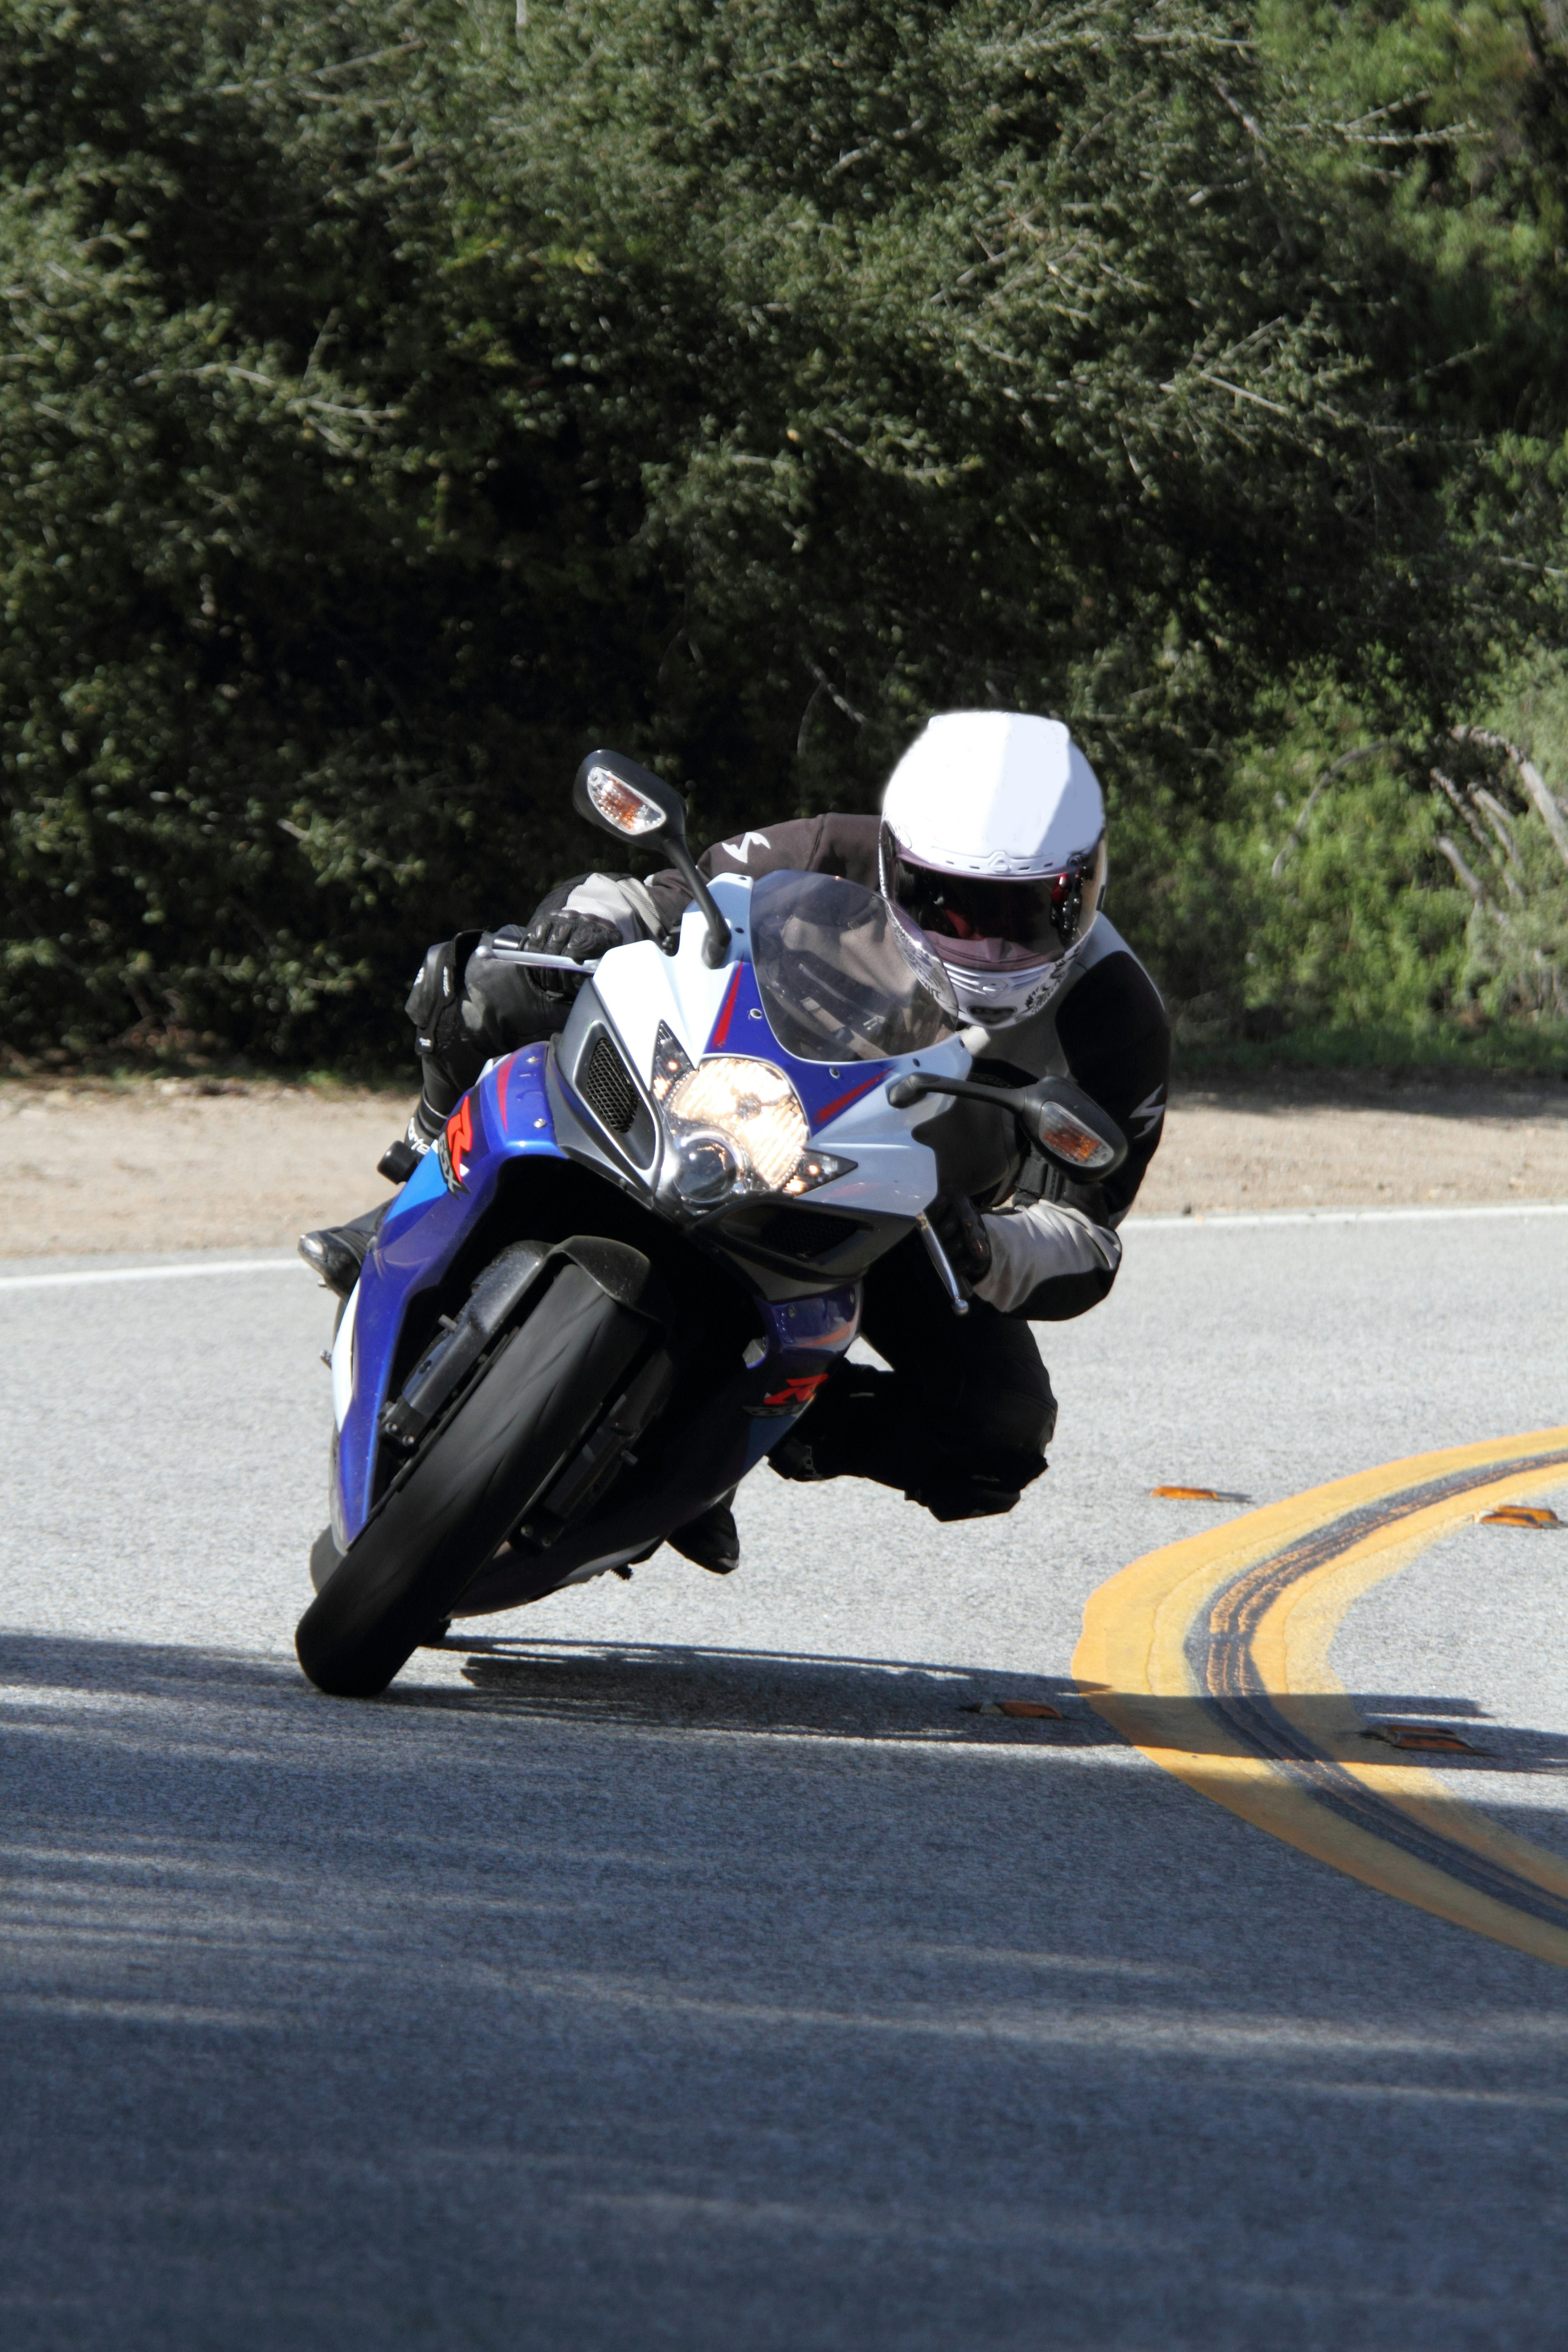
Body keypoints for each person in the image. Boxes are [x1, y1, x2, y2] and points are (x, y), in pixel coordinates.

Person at [301, 712, 1170, 1569]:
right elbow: (657, 898)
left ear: (1084, 886)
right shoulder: (827, 848)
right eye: (948, 901)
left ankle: (764, 1435)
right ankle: (413, 1179)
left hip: (898, 1213)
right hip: (716, 1100)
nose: (980, 938)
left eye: (1022, 911)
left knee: (999, 1429)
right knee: (486, 979)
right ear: (899, 864)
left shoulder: (1115, 1017)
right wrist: (586, 923)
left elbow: (1090, 1232)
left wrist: (991, 1247)